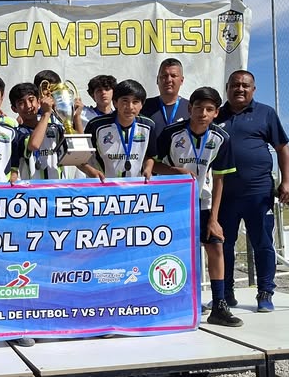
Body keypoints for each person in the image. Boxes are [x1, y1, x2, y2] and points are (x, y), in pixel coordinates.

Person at [153, 87, 243, 327]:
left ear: (216, 113)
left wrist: (214, 218)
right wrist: (175, 171)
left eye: (209, 109)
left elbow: (220, 178)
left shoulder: (221, 138)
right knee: (174, 251)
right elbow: (152, 165)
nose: (203, 113)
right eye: (199, 108)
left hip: (203, 202)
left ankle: (219, 305)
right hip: (174, 203)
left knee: (216, 246)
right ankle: (174, 301)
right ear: (190, 108)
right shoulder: (171, 133)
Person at [216, 70, 289, 312]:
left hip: (258, 193)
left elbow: (282, 148)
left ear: (253, 89)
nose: (240, 89)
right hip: (224, 196)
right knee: (223, 245)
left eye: (245, 85)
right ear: (227, 88)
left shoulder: (266, 113)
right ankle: (225, 293)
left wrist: (286, 181)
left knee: (263, 243)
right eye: (235, 85)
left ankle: (265, 292)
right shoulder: (216, 114)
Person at [80, 79, 156, 181]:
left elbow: (149, 156)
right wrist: (91, 172)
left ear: (142, 105)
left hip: (135, 186)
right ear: (115, 102)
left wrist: (148, 168)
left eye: (135, 102)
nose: (130, 107)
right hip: (104, 186)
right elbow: (79, 158)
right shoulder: (96, 126)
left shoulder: (148, 126)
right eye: (125, 101)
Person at [9, 82, 65, 181]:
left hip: (57, 188)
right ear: (14, 109)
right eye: (21, 103)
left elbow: (77, 152)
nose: (28, 106)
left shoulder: (56, 129)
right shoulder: (16, 134)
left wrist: (76, 117)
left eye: (31, 100)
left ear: (38, 102)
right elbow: (34, 145)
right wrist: (46, 114)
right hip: (31, 190)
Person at [141, 58, 189, 138]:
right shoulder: (144, 106)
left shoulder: (190, 108)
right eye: (164, 76)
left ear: (181, 80)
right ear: (157, 80)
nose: (168, 80)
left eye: (173, 76)